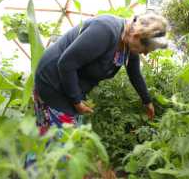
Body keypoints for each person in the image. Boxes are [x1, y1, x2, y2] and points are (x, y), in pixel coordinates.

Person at [33, 13, 168, 134]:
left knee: (64, 141)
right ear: (137, 36)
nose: (144, 53)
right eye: (146, 49)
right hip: (52, 82)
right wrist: (77, 102)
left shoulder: (128, 44)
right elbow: (66, 64)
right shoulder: (105, 31)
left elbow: (134, 74)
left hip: (67, 85)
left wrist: (147, 101)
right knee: (59, 144)